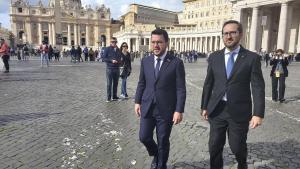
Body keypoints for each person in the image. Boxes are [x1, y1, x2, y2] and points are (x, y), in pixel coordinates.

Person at [200, 20, 265, 169]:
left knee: (237, 147)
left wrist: (258, 114)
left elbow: (257, 87)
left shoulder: (251, 58)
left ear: (240, 34)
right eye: (225, 33)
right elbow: (208, 83)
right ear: (222, 36)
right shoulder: (214, 57)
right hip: (217, 109)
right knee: (214, 146)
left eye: (232, 33)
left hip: (239, 111)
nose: (228, 36)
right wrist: (204, 106)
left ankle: (242, 164)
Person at [135, 28, 186, 169]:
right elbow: (142, 83)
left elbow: (181, 88)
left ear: (166, 43)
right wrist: (137, 101)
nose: (156, 45)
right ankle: (157, 154)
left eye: (159, 42)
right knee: (144, 137)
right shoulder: (145, 61)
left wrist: (179, 110)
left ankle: (161, 165)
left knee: (163, 140)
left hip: (166, 109)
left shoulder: (176, 63)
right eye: (153, 42)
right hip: (147, 106)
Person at [102, 37, 122, 102]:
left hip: (117, 68)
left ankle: (114, 96)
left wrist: (119, 61)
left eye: (115, 42)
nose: (114, 43)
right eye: (113, 42)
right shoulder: (107, 49)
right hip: (109, 69)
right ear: (110, 42)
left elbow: (120, 58)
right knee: (109, 84)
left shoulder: (118, 50)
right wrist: (111, 60)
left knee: (116, 83)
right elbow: (104, 58)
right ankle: (108, 97)